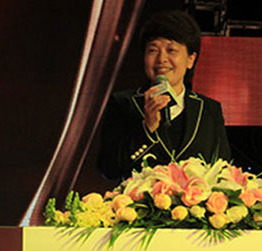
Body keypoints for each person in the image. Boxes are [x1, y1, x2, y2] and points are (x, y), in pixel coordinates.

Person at [97, 10, 231, 181]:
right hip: (138, 198)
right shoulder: (123, 103)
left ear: (190, 59)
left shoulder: (209, 109)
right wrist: (147, 128)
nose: (162, 59)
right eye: (153, 50)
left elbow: (223, 171)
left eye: (171, 50)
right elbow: (109, 169)